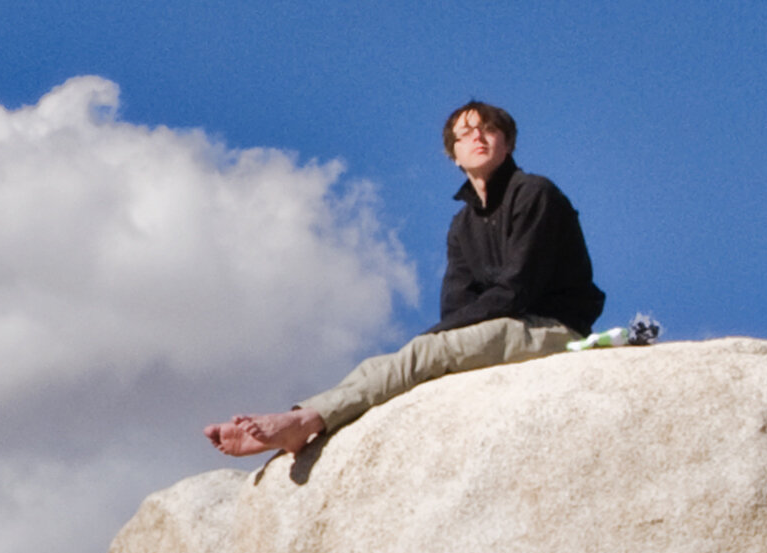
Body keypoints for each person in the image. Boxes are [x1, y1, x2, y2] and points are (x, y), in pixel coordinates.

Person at [208, 100, 627, 460]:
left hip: (552, 329)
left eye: (489, 129)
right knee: (391, 362)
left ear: (509, 142)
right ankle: (305, 413)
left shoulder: (534, 193)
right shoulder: (462, 225)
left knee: (423, 353)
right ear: (454, 156)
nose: (478, 137)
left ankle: (303, 420)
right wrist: (434, 339)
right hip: (504, 329)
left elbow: (517, 290)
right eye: (464, 134)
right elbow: (456, 308)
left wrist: (433, 340)